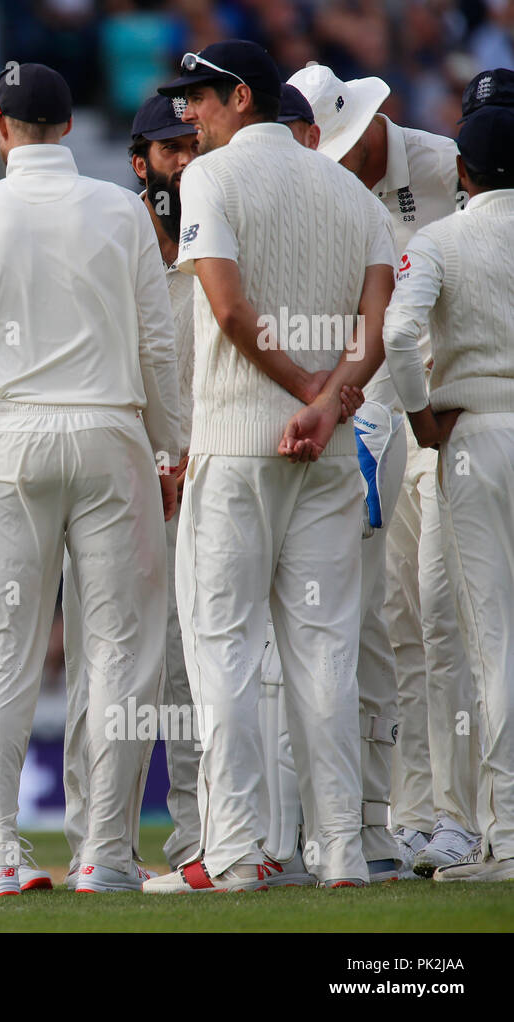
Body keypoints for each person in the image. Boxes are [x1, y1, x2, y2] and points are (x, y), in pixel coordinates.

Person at [144, 41, 395, 892]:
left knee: (224, 654)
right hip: (323, 455)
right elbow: (374, 328)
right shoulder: (346, 187)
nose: (189, 116)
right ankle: (343, 854)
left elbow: (225, 305)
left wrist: (302, 394)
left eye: (199, 101)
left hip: (242, 445)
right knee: (324, 656)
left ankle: (236, 852)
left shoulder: (207, 180)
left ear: (240, 97)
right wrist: (329, 404)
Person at [0, 62, 180, 897]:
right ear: (69, 126)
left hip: (15, 437)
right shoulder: (119, 210)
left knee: (1, 652)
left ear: (0, 124)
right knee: (120, 653)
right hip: (113, 433)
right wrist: (171, 449)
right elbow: (160, 344)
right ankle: (105, 854)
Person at [291, 63, 477, 878]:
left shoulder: (443, 165)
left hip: (453, 415)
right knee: (399, 619)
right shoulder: (322, 184)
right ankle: (414, 814)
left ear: (372, 122)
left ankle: (466, 813)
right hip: (377, 414)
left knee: (449, 621)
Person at [61, 92, 199, 890]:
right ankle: (96, 840)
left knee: (188, 668)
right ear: (139, 158)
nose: (183, 160)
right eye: (169, 148)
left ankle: (197, 839)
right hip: (117, 473)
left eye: (191, 143)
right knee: (100, 664)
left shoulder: (224, 225)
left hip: (202, 472)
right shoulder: (109, 232)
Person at [382, 103, 514, 883]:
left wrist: (421, 418)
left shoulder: (439, 238)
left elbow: (400, 336)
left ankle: (505, 836)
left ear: (461, 172)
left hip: (475, 442)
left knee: (490, 644)